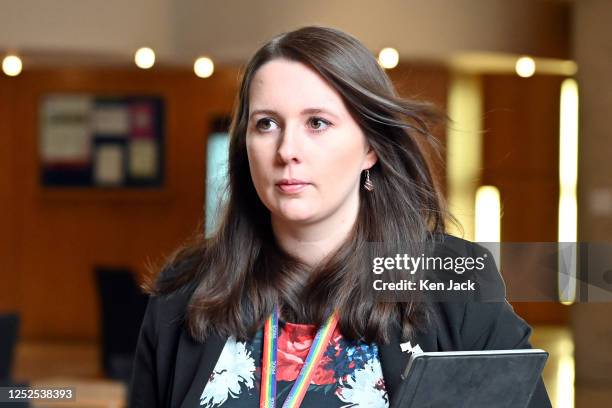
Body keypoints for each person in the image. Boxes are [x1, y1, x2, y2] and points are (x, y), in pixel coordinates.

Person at [129, 26, 552, 407]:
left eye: (317, 122)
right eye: (267, 124)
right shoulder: (183, 292)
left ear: (370, 148)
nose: (287, 150)